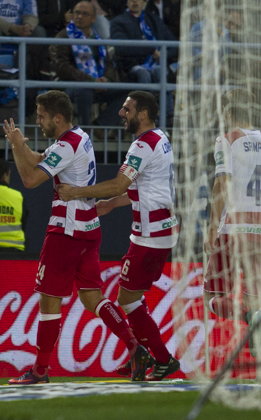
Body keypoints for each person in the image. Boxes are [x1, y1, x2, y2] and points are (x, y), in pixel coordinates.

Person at [3, 90, 150, 384]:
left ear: (57, 117)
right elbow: (41, 158)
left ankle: (40, 370)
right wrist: (20, 146)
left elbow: (30, 179)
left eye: (41, 116)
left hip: (65, 230)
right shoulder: (77, 137)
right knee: (92, 296)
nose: (38, 121)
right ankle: (135, 345)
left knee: (49, 299)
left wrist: (17, 148)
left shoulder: (66, 146)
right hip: (89, 228)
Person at [56, 90, 181, 381]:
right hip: (158, 229)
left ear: (143, 114)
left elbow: (118, 184)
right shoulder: (160, 138)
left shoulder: (142, 145)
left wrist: (76, 191)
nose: (121, 113)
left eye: (127, 109)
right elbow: (141, 187)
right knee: (132, 297)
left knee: (127, 299)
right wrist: (114, 204)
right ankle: (146, 355)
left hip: (151, 234)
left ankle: (161, 360)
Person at [202, 89, 261, 360]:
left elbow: (222, 182)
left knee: (211, 295)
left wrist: (211, 225)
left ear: (227, 112)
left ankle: (247, 316)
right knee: (256, 297)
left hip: (234, 229)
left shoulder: (227, 140)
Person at [49, 1, 127, 128]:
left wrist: (106, 79)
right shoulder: (63, 36)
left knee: (127, 92)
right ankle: (84, 131)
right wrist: (90, 80)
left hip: (96, 84)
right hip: (68, 86)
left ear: (93, 19)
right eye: (77, 13)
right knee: (84, 90)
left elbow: (108, 63)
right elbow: (62, 67)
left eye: (85, 14)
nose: (79, 16)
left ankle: (101, 126)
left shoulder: (97, 38)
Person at [110, 0, 177, 120]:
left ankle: (169, 116)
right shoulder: (118, 22)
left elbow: (172, 44)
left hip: (158, 64)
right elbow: (121, 48)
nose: (135, 1)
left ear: (144, 2)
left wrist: (164, 53)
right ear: (126, 2)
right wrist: (150, 51)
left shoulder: (154, 19)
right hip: (133, 65)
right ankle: (147, 113)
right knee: (143, 72)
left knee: (160, 71)